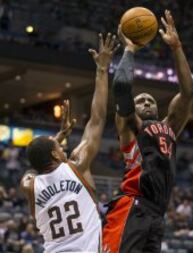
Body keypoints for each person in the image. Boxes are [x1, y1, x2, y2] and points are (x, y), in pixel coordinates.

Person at [102, 10, 193, 253]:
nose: (145, 103)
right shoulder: (130, 126)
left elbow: (187, 93)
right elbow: (122, 87)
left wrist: (176, 48)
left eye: (150, 100)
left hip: (156, 213)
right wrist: (129, 49)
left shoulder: (168, 127)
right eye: (141, 100)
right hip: (132, 206)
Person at [20, 33, 119, 253]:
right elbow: (97, 119)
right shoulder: (77, 165)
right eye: (59, 147)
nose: (62, 147)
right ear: (55, 155)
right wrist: (102, 70)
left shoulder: (29, 185)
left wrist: (54, 141)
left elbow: (30, 173)